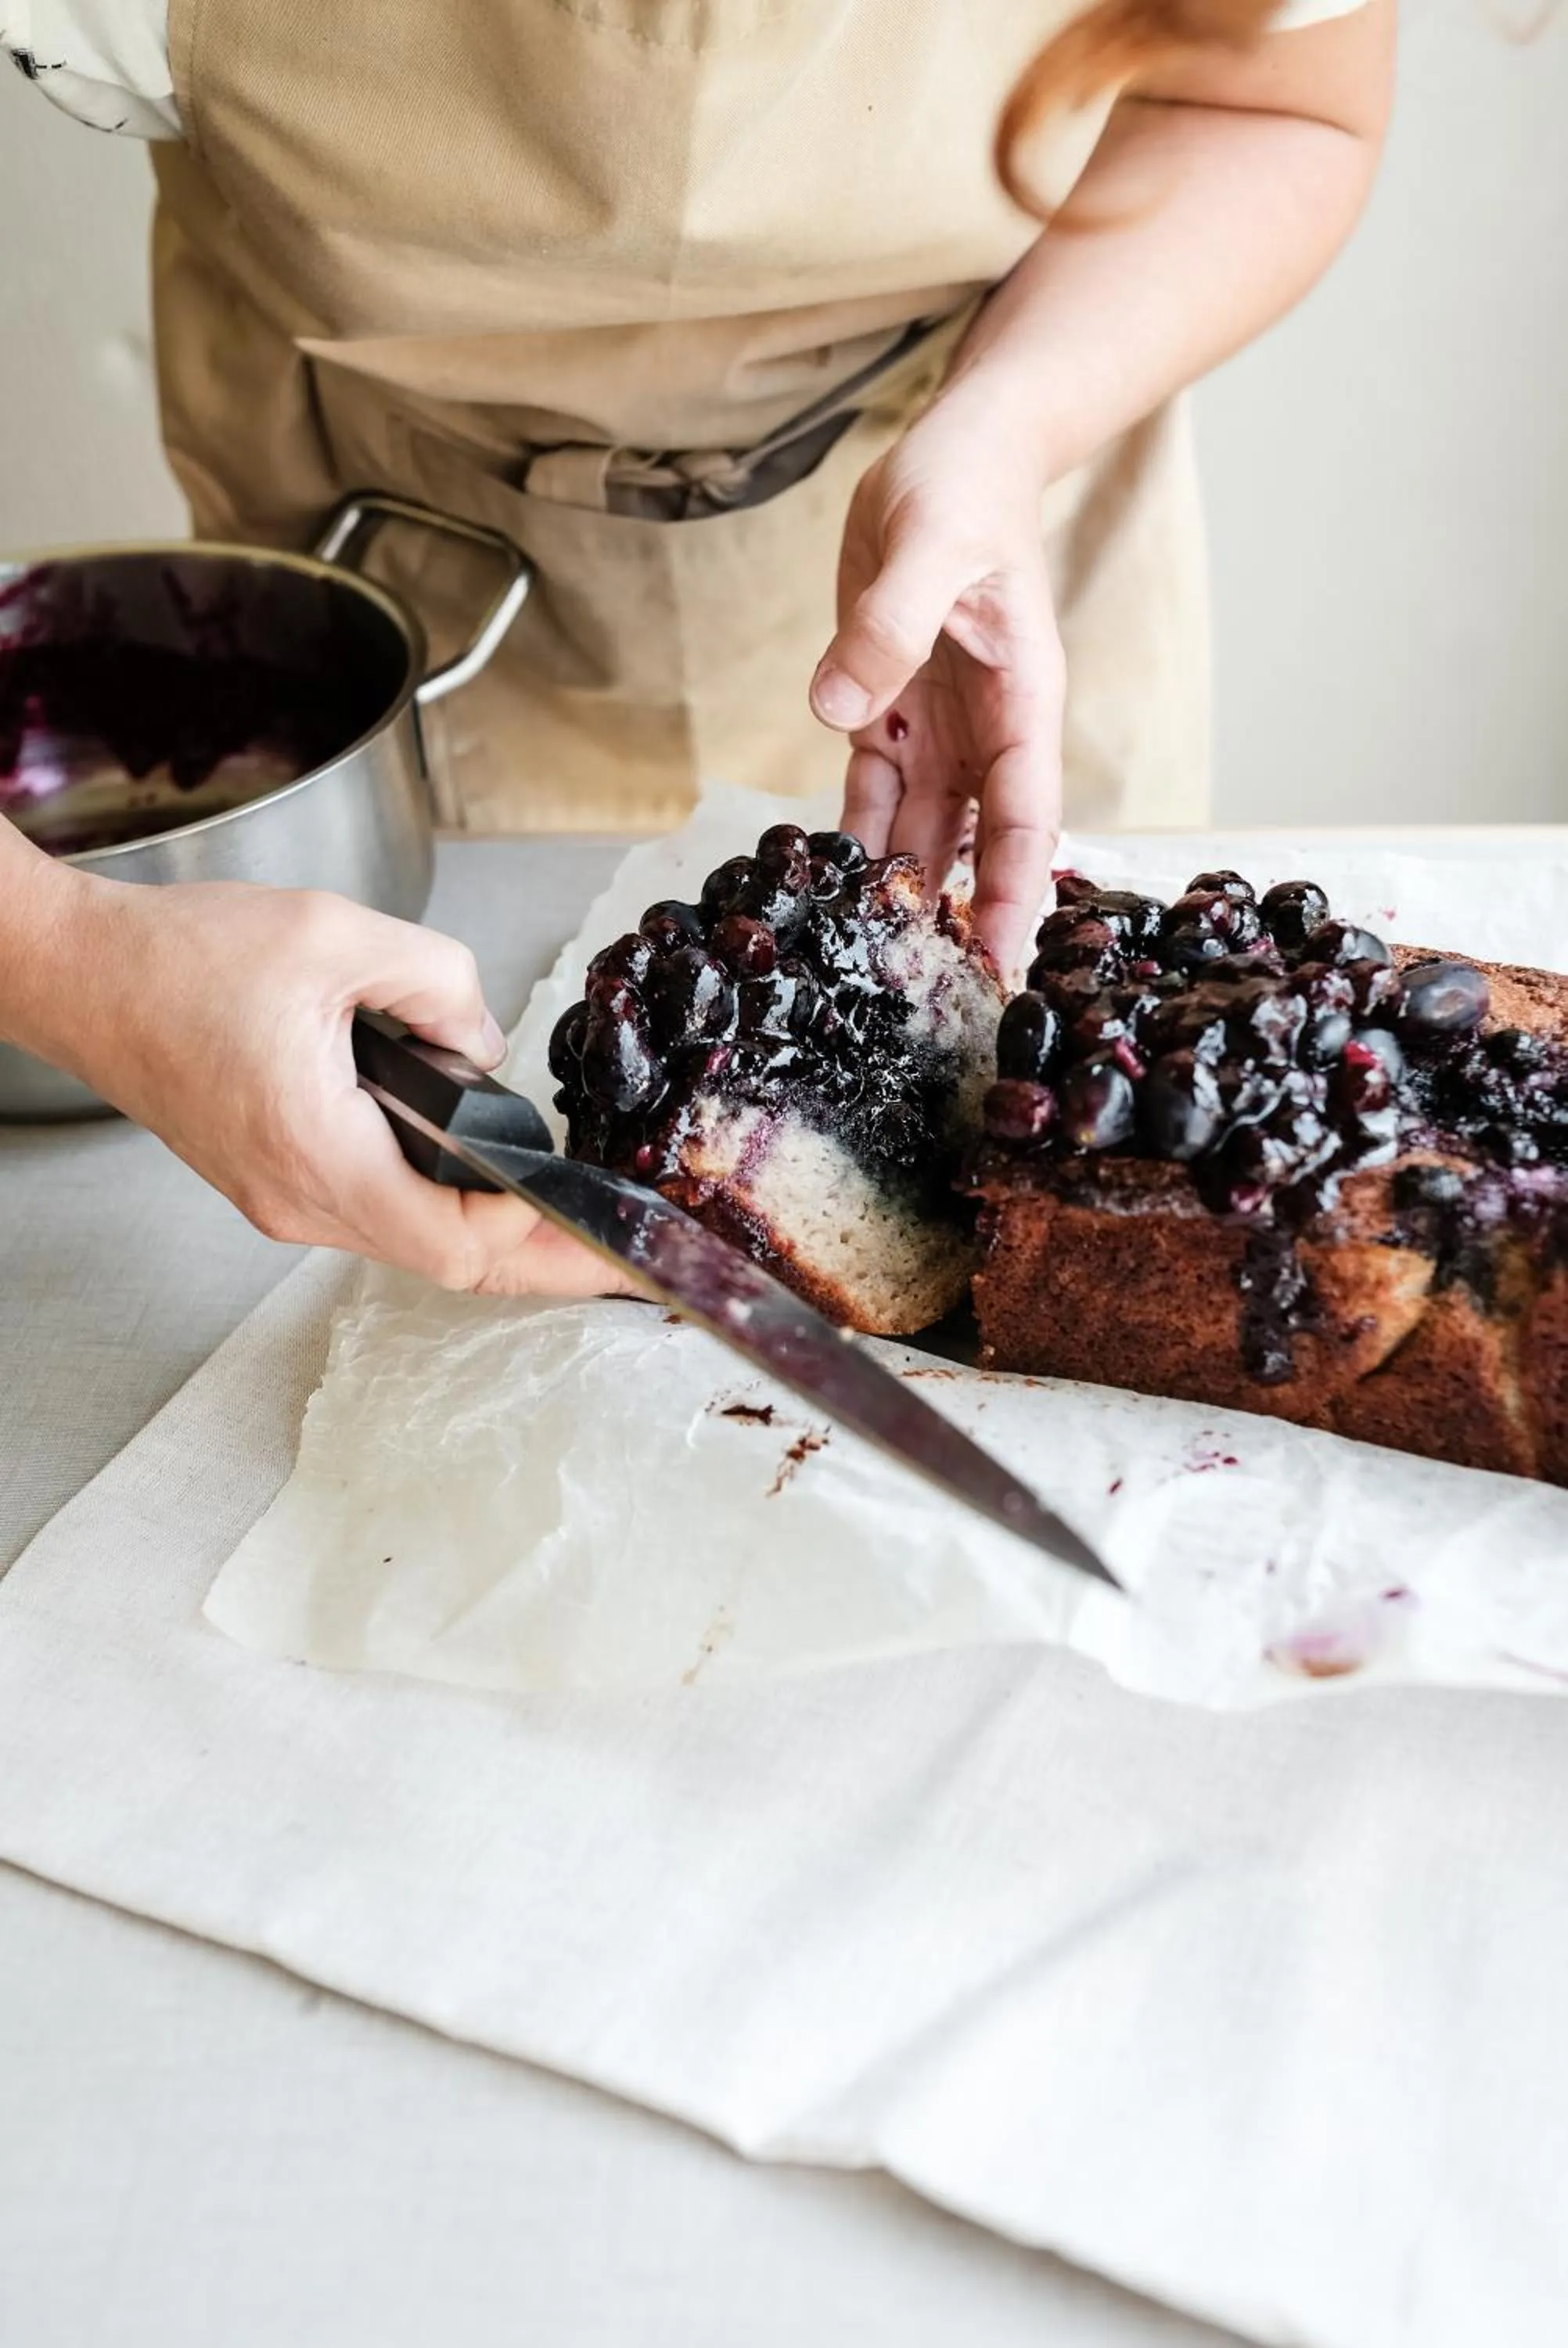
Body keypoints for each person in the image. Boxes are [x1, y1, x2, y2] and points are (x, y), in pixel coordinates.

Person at [1, 0, 1392, 1296]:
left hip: (982, 511)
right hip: (383, 539)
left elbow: (1282, 102)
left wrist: (1007, 431)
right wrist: (66, 956)